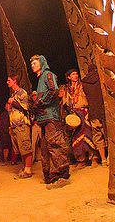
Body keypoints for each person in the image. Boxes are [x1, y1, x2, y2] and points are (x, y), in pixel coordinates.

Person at [29, 55, 71, 190]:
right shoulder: (41, 78)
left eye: (35, 63)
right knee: (46, 148)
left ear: (41, 62)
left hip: (51, 117)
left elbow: (54, 91)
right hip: (42, 119)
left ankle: (61, 177)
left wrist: (41, 103)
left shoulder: (48, 75)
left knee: (56, 145)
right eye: (32, 64)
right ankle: (50, 177)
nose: (33, 65)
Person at [63, 69, 98, 170]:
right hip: (74, 114)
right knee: (76, 137)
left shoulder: (82, 85)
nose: (75, 76)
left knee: (88, 135)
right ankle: (81, 160)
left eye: (76, 74)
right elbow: (65, 101)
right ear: (69, 77)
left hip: (84, 112)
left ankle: (93, 159)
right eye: (73, 74)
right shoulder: (67, 89)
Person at [6, 74, 33, 179]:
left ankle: (28, 169)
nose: (7, 82)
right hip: (14, 125)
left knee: (25, 146)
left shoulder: (22, 92)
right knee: (20, 148)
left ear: (15, 81)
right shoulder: (14, 94)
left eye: (9, 80)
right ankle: (24, 167)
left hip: (22, 124)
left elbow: (25, 107)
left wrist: (14, 102)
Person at [81, 64, 108, 166]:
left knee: (98, 136)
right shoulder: (101, 78)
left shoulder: (84, 83)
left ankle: (103, 159)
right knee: (107, 134)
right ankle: (110, 157)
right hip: (103, 111)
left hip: (93, 112)